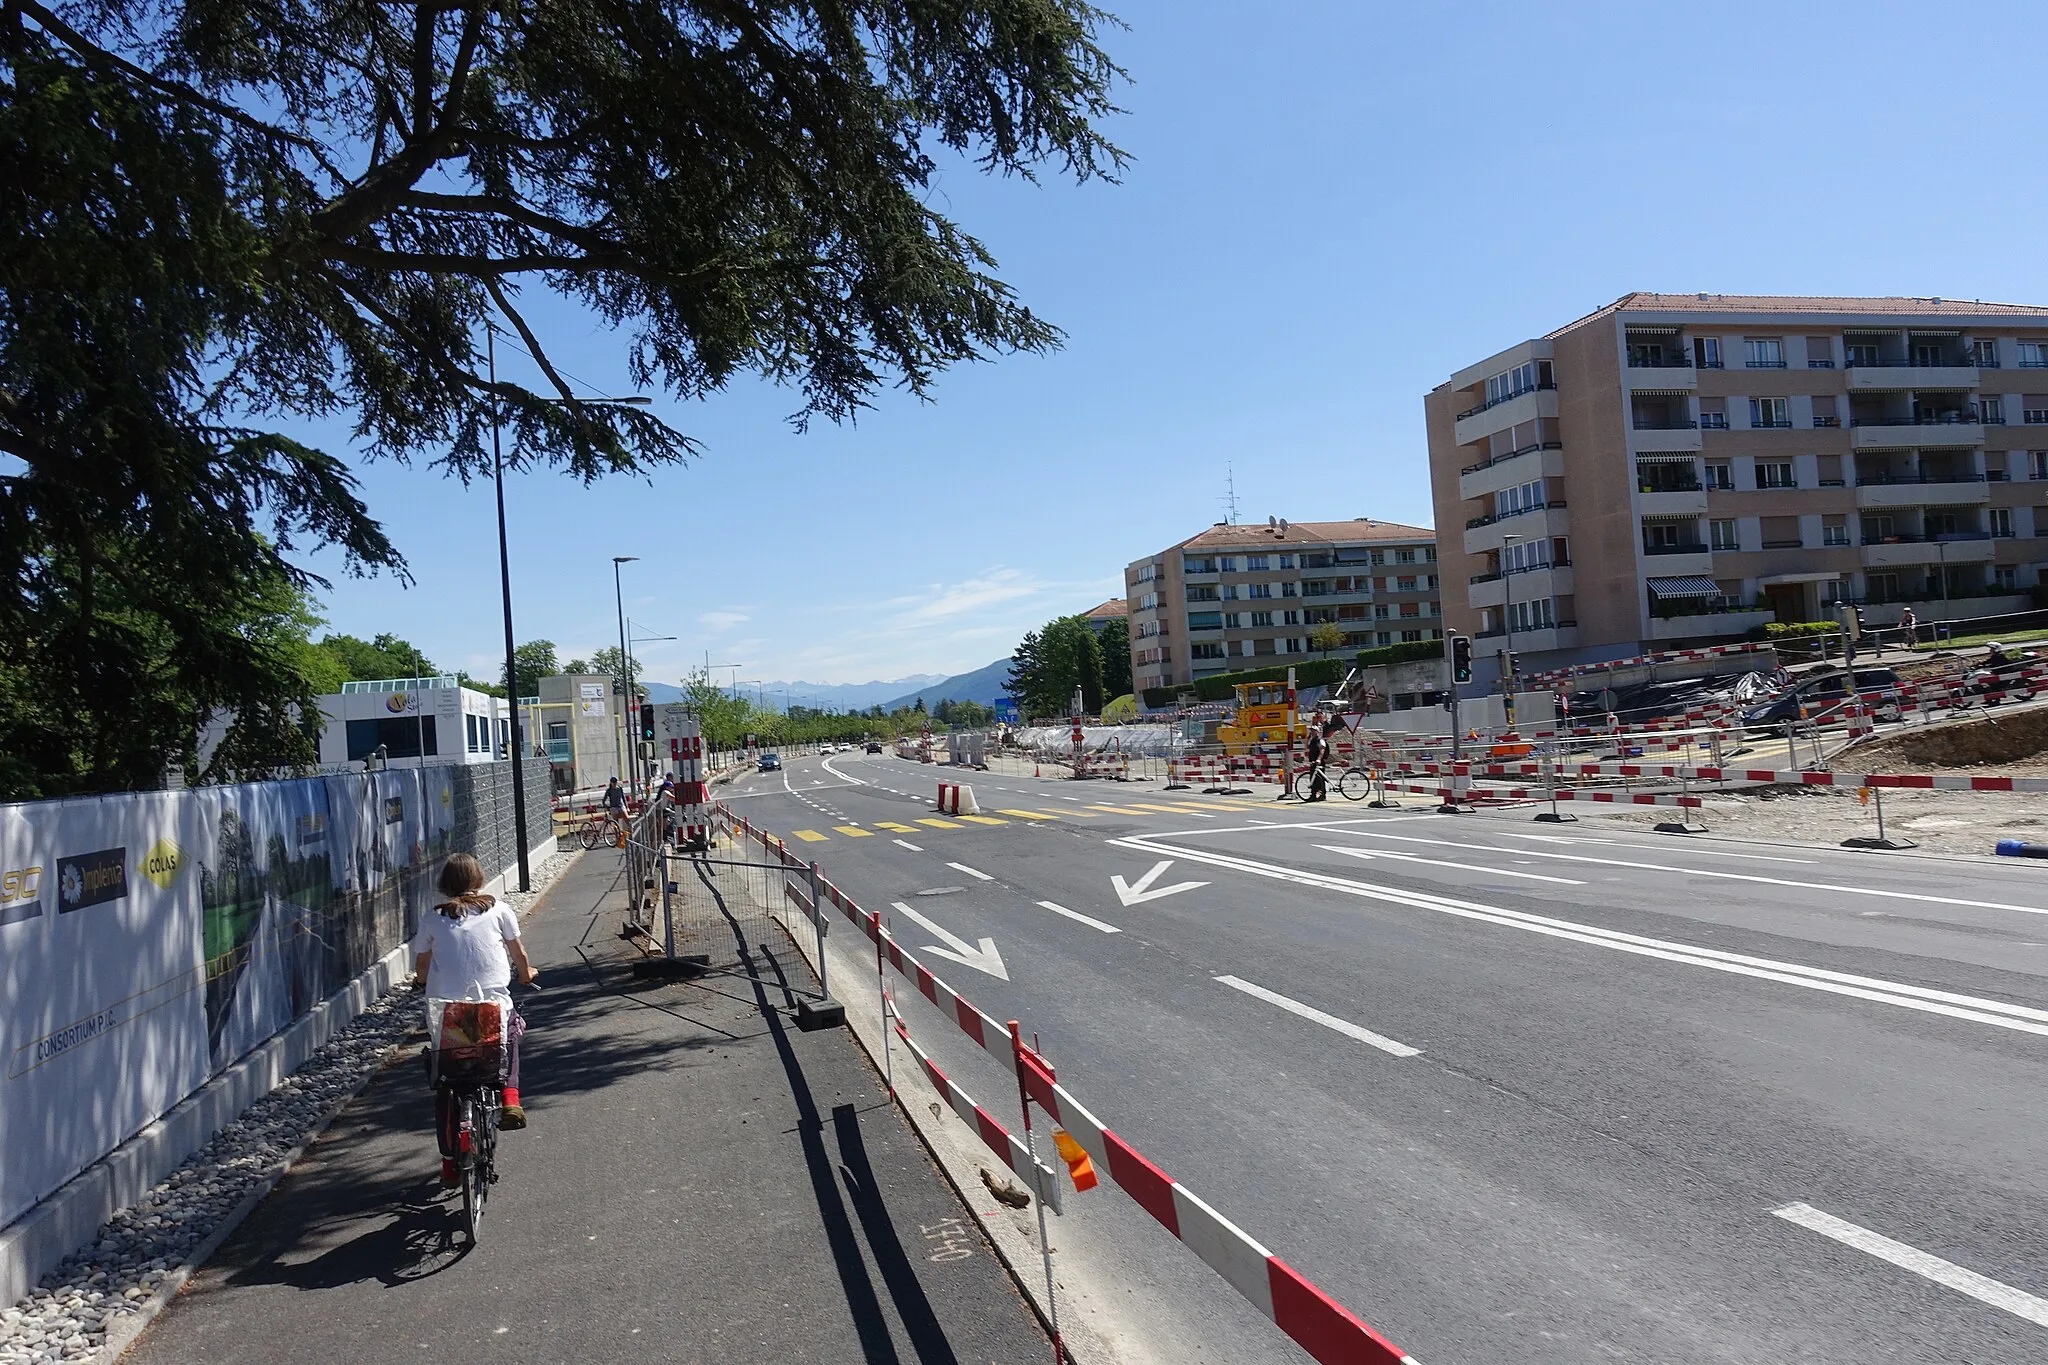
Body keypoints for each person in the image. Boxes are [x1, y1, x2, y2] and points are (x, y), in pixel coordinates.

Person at [414, 853, 539, 1186]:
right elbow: (518, 954)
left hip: (449, 1012)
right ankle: (511, 1098)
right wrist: (526, 975)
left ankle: (449, 1164)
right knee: (508, 1035)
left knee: (448, 1082)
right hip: (491, 1007)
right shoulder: (498, 909)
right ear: (479, 878)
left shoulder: (432, 918)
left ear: (445, 884)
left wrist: (423, 982)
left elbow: (422, 966)